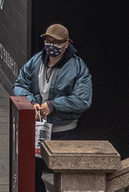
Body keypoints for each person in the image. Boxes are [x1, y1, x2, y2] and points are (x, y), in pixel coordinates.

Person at [13, 24, 92, 192]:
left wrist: (53, 105)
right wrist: (32, 103)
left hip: (63, 130)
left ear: (66, 43)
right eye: (48, 41)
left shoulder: (78, 67)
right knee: (32, 173)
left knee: (65, 176)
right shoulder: (36, 61)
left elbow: (83, 100)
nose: (51, 45)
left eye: (56, 42)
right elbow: (20, 84)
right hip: (38, 128)